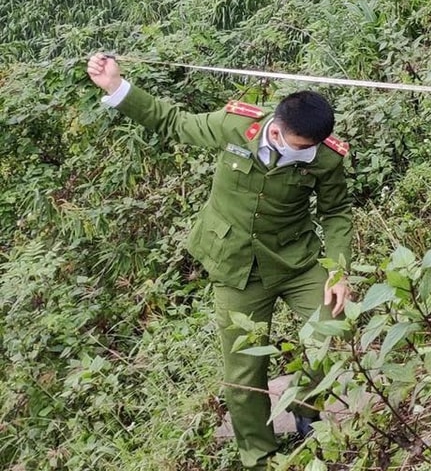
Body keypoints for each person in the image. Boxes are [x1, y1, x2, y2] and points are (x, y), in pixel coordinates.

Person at [82, 54, 350, 466]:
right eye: (299, 147)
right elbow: (173, 122)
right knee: (243, 373)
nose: (305, 155)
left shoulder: (328, 158)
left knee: (329, 335)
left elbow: (335, 215)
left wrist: (338, 270)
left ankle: (306, 411)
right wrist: (116, 86)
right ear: (276, 130)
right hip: (234, 265)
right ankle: (259, 455)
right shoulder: (235, 126)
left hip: (297, 261)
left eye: (311, 149)